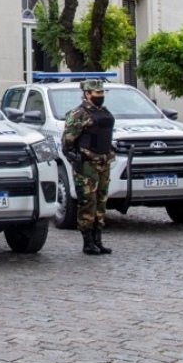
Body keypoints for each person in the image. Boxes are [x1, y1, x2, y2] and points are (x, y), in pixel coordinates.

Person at [62, 78, 115, 255]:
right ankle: (88, 242)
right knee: (88, 202)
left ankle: (98, 239)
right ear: (87, 94)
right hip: (87, 164)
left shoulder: (104, 112)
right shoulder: (78, 113)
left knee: (101, 201)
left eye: (102, 93)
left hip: (104, 162)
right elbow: (68, 142)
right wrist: (76, 159)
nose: (100, 96)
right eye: (97, 93)